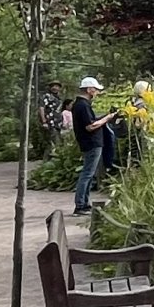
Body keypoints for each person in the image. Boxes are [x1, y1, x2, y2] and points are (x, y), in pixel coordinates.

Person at [67, 76, 119, 215]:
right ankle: (80, 205)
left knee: (89, 173)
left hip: (90, 142)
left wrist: (104, 116)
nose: (96, 92)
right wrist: (107, 118)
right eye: (95, 89)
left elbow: (91, 121)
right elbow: (90, 126)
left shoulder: (80, 104)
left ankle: (84, 203)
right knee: (87, 174)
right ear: (89, 89)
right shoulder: (83, 105)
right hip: (91, 142)